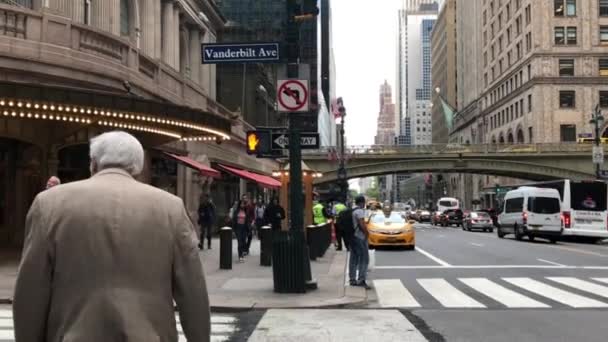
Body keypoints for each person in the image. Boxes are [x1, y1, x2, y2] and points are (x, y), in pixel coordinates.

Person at [13, 131, 210, 342]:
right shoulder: (171, 208)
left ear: (94, 163)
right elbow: (192, 292)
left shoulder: (48, 204)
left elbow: (30, 291)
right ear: (138, 166)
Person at [349, 195, 371, 290]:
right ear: (362, 202)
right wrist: (367, 235)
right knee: (364, 258)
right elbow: (362, 225)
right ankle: (361, 280)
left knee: (353, 258)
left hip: (351, 237)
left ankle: (352, 279)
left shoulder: (351, 211)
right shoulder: (359, 211)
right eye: (364, 202)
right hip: (359, 238)